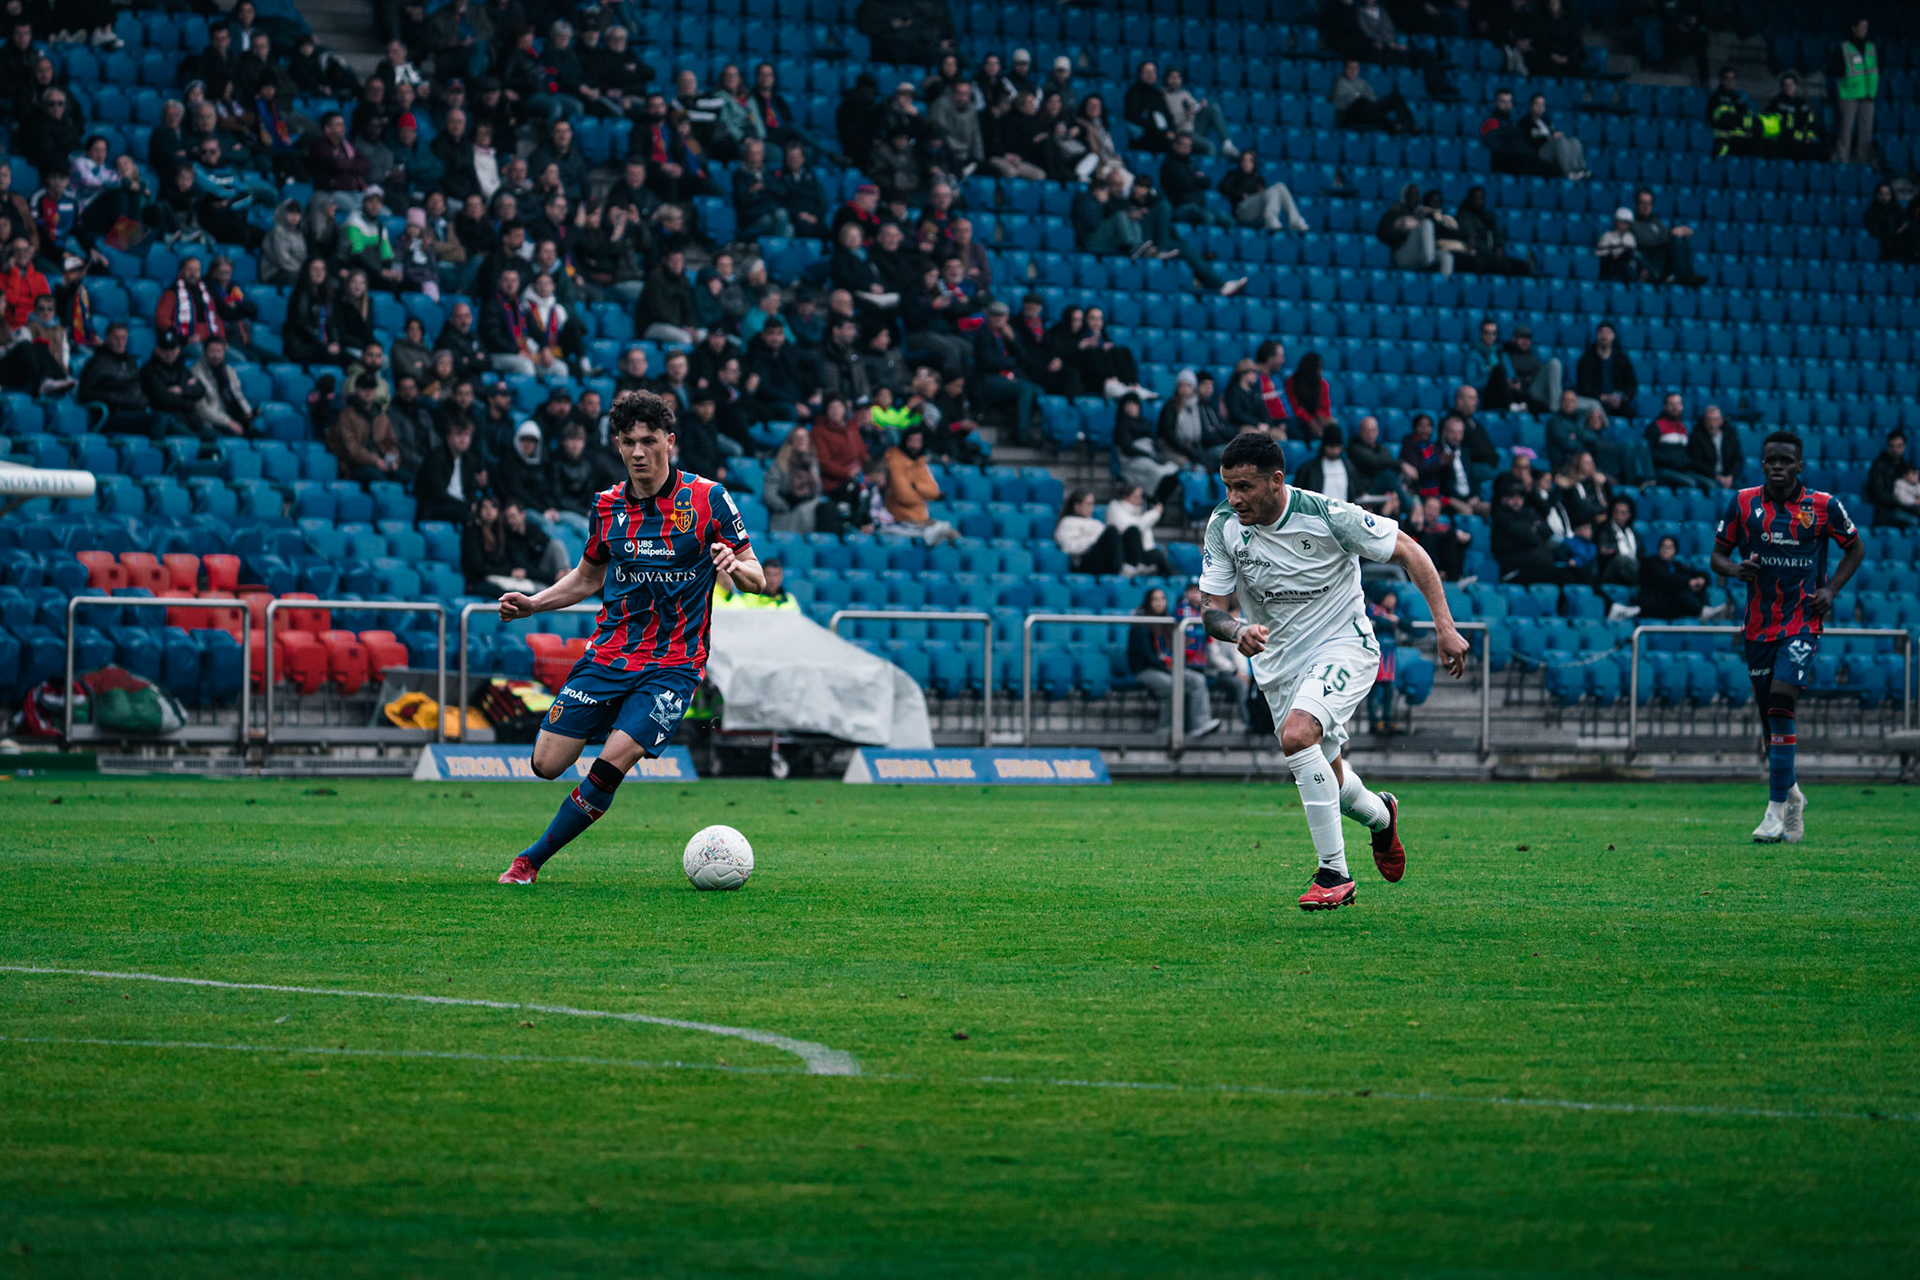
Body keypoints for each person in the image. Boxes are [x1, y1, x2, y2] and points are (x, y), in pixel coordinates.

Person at [495, 391, 763, 884]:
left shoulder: (708, 499)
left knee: (612, 761)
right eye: (628, 442)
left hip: (675, 664)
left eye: (649, 441)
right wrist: (533, 604)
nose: (639, 452)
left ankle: (529, 861)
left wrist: (734, 566)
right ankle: (614, 718)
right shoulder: (607, 506)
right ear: (618, 447)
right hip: (609, 655)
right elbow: (586, 579)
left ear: (670, 442)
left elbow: (757, 576)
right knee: (546, 764)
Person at [1198, 432, 1469, 910]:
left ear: (1276, 481)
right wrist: (1235, 628)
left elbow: (1410, 550)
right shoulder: (1223, 525)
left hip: (1343, 645)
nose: (1233, 498)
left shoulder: (1327, 515)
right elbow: (1210, 609)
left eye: (1243, 486)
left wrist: (1445, 628)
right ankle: (1382, 815)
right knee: (1331, 779)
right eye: (1227, 486)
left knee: (1298, 736)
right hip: (1278, 664)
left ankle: (1333, 874)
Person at [1711, 431, 1864, 844]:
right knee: (1769, 721)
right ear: (1762, 464)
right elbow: (1717, 556)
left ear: (1800, 466)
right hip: (1758, 627)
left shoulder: (1823, 506)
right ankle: (1793, 795)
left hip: (1802, 622)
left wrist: (1829, 591)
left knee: (1781, 701)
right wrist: (1735, 569)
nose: (1777, 466)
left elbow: (1855, 548)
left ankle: (1773, 811)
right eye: (1770, 460)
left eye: (1785, 460)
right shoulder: (1743, 502)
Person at [1128, 587, 1220, 740]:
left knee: (1197, 680)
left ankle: (1200, 724)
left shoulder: (1168, 623)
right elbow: (1146, 656)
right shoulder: (1141, 624)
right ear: (1148, 602)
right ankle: (1166, 730)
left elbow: (1173, 650)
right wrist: (1167, 665)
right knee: (1172, 685)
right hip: (1146, 670)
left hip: (1167, 667)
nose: (1159, 603)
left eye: (1162, 599)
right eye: (1155, 599)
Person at [878, 426, 957, 544]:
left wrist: (916, 486)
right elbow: (905, 497)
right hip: (901, 519)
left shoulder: (920, 461)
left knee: (954, 536)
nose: (914, 445)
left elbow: (934, 492)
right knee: (942, 535)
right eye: (911, 440)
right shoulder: (895, 460)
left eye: (918, 441)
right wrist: (923, 496)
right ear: (904, 441)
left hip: (920, 519)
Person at [1218, 150, 1307, 234]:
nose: (1246, 163)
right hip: (1242, 210)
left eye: (1250, 161)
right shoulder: (1234, 175)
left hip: (1258, 212)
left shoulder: (1259, 180)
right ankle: (1271, 219)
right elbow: (1223, 187)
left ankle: (1295, 221)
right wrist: (1240, 194)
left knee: (1280, 187)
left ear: (1254, 163)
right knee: (1276, 188)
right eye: (1244, 160)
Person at [1630, 188, 1705, 287]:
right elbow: (1645, 241)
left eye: (1649, 203)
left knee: (1679, 237)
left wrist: (1681, 232)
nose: (1646, 207)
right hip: (1649, 261)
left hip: (1663, 260)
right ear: (1636, 204)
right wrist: (1671, 233)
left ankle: (1685, 275)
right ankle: (1686, 278)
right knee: (1675, 238)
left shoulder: (1655, 221)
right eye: (1643, 203)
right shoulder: (1633, 223)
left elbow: (1665, 234)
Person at [1377, 182, 1455, 276]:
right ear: (1404, 196)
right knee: (1427, 224)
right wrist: (1402, 228)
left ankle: (1443, 287)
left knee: (1447, 257)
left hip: (1421, 252)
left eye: (1415, 195)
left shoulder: (1422, 214)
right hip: (1403, 254)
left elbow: (1444, 231)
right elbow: (1383, 233)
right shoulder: (1395, 212)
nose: (1413, 198)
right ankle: (1428, 262)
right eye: (1410, 195)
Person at [1828, 18, 1878, 164]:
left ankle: (1863, 161)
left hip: (1868, 95)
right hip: (1849, 95)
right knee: (1845, 130)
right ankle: (1842, 160)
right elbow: (1833, 69)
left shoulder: (1871, 48)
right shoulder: (1844, 48)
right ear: (1854, 28)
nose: (1864, 30)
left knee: (1866, 131)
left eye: (1866, 27)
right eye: (1862, 26)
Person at [186, 337, 255, 439]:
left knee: (260, 436)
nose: (216, 355)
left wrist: (248, 411)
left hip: (234, 417)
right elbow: (202, 410)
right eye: (212, 351)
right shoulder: (196, 373)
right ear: (204, 352)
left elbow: (238, 395)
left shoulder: (228, 371)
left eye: (219, 351)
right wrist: (228, 422)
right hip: (213, 422)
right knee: (238, 439)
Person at [1646, 393, 1714, 492]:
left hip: (1683, 470)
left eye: (1678, 404)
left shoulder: (1683, 427)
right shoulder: (1656, 426)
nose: (1675, 407)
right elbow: (1648, 450)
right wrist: (1668, 460)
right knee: (1690, 484)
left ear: (1682, 406)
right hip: (1664, 469)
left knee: (1711, 485)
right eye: (1671, 404)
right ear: (1665, 407)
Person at [1329, 60, 1415, 134]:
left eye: (1356, 68)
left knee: (1394, 98)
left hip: (1368, 110)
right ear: (1345, 69)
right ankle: (1393, 126)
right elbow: (1339, 102)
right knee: (1361, 102)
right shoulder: (1339, 82)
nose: (1353, 71)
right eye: (1350, 68)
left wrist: (1361, 96)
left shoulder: (1362, 82)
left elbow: (1372, 98)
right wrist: (1357, 96)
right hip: (1351, 114)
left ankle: (1409, 125)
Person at [1639, 536, 1710, 622]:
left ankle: (1705, 610)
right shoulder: (1652, 563)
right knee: (1678, 589)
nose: (1665, 550)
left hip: (1674, 606)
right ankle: (1701, 611)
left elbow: (1696, 573)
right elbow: (1667, 579)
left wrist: (1701, 579)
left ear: (1675, 550)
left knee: (1698, 587)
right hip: (1656, 604)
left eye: (1669, 548)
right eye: (1663, 546)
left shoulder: (1677, 565)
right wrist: (1688, 582)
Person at [1575, 322, 1637, 418]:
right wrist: (1604, 397)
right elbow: (1583, 387)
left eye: (1608, 332)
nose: (1604, 336)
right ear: (1597, 335)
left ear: (1613, 336)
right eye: (1601, 332)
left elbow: (1632, 384)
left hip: (1617, 403)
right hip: (1595, 402)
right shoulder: (1586, 360)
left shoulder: (1622, 359)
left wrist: (1623, 398)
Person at [1688, 404, 1743, 490]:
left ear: (1721, 421)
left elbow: (1738, 459)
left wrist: (1730, 477)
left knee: (1744, 491)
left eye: (1715, 419)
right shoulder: (1697, 435)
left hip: (1727, 476)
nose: (1712, 423)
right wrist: (1717, 477)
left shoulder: (1730, 435)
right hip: (1707, 475)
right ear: (1704, 421)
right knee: (1712, 487)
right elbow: (1697, 462)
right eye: (1709, 420)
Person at [1864, 431, 1913, 528]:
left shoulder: (1906, 466)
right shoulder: (1879, 466)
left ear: (1904, 447)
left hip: (1903, 508)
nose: (1895, 450)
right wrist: (1900, 501)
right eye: (1892, 446)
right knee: (1913, 522)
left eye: (1899, 446)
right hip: (1885, 511)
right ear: (1888, 447)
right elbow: (1878, 494)